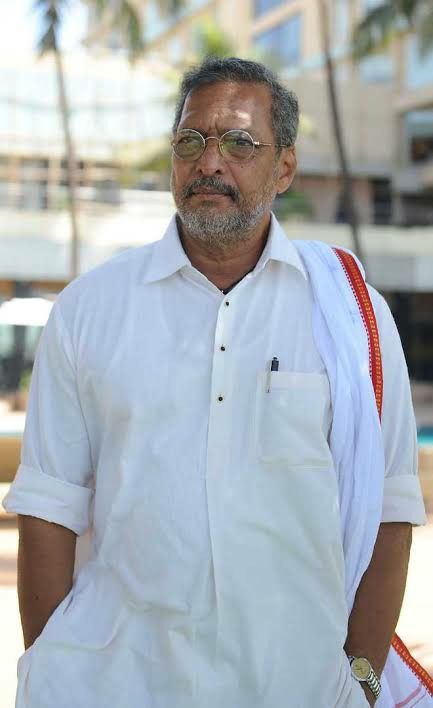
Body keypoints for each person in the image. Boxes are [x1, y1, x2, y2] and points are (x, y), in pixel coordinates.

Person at [3, 57, 428, 708]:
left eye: (238, 143)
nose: (209, 163)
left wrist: (361, 682)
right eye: (190, 142)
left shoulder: (350, 313)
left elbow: (391, 511)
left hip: (294, 689)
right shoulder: (90, 309)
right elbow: (47, 507)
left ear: (283, 167)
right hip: (116, 686)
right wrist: (51, 672)